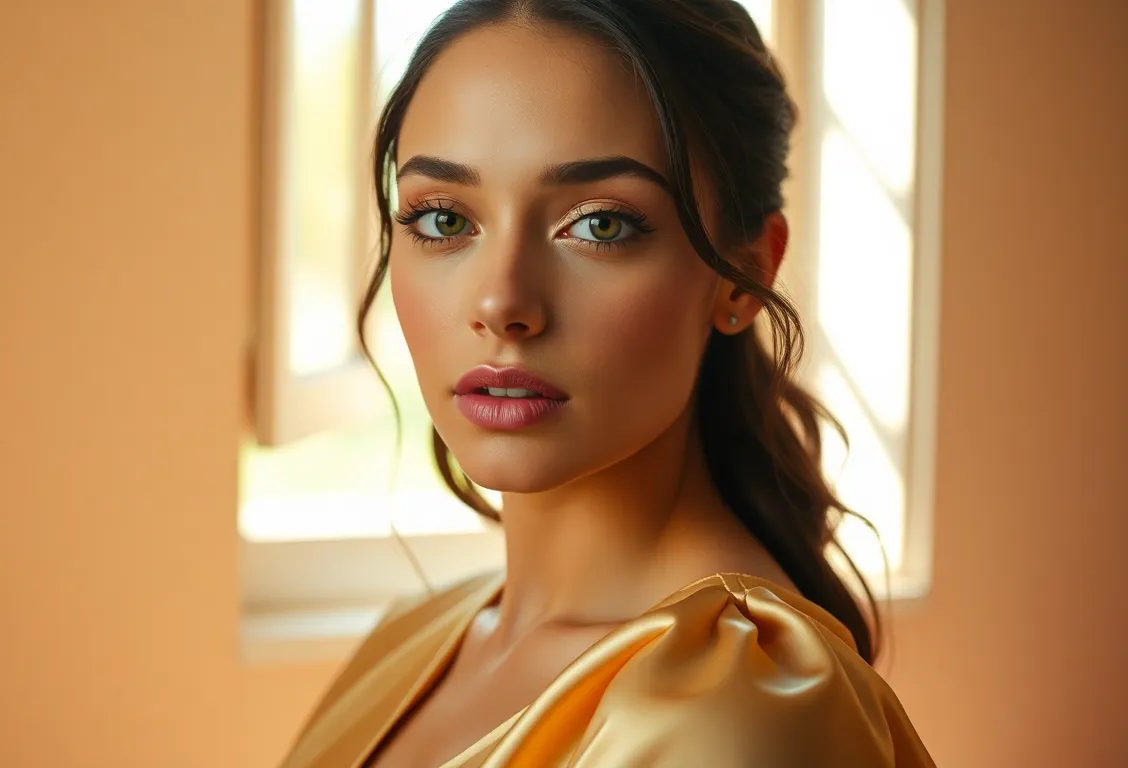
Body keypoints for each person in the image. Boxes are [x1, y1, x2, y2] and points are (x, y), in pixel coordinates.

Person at [280, 1, 935, 765]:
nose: (502, 303)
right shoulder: (414, 634)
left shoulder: (743, 714)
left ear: (746, 274)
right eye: (445, 220)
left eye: (599, 224)